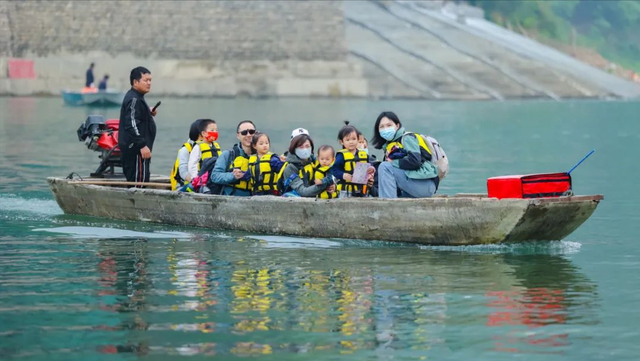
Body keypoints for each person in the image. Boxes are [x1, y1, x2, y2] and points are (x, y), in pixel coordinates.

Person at [371, 111, 438, 198]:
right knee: (384, 167)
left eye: (389, 125)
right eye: (382, 127)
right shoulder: (389, 146)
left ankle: (388, 206)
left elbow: (415, 161)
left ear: (397, 126)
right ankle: (389, 202)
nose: (385, 129)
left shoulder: (407, 138)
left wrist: (393, 162)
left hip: (425, 185)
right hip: (411, 186)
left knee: (385, 166)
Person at [118, 66, 157, 185]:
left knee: (142, 182)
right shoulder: (134, 99)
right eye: (146, 80)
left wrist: (147, 112)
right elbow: (131, 123)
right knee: (138, 185)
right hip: (136, 151)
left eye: (150, 80)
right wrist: (142, 144)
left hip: (139, 151)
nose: (149, 83)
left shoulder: (137, 98)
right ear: (135, 82)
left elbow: (135, 117)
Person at [280, 132, 335, 197]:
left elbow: (331, 175)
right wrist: (324, 184)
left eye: (307, 146)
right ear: (294, 148)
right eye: (301, 147)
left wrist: (332, 186)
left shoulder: (316, 161)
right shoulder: (290, 168)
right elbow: (303, 191)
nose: (304, 149)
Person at [210, 120, 255, 196]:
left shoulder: (262, 156)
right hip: (231, 200)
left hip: (255, 200)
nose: (248, 135)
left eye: (251, 132)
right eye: (244, 132)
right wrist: (232, 176)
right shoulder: (228, 155)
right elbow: (215, 176)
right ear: (238, 136)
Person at [330, 121, 374, 197]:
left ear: (358, 139)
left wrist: (371, 169)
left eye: (354, 139)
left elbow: (369, 165)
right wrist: (343, 175)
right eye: (347, 140)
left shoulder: (363, 154)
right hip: (346, 190)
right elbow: (334, 170)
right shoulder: (341, 156)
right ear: (342, 142)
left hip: (361, 189)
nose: (351, 142)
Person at [170, 119, 201, 190]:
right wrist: (197, 182)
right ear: (200, 134)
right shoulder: (186, 150)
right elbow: (183, 172)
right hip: (183, 186)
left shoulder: (209, 147)